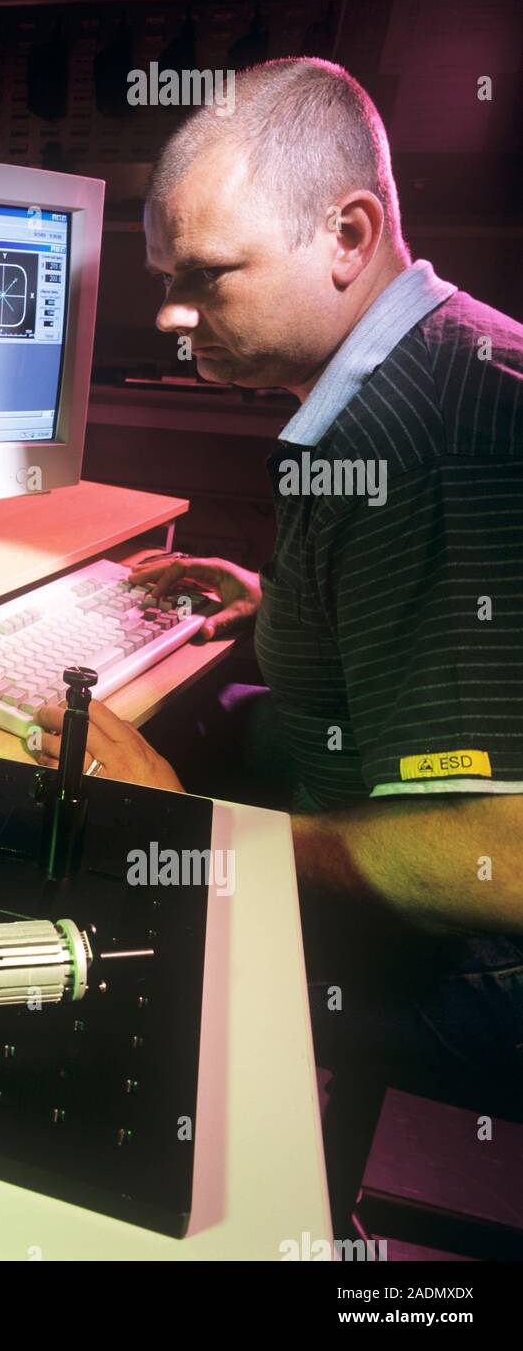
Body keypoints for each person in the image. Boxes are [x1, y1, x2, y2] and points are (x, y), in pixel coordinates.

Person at [28, 58, 523, 1123]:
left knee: (105, 916)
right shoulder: (430, 362)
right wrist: (281, 606)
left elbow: (497, 857)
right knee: (208, 718)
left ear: (345, 237)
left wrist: (186, 832)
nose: (173, 311)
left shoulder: (422, 444)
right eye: (168, 275)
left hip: (488, 968)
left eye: (207, 274)